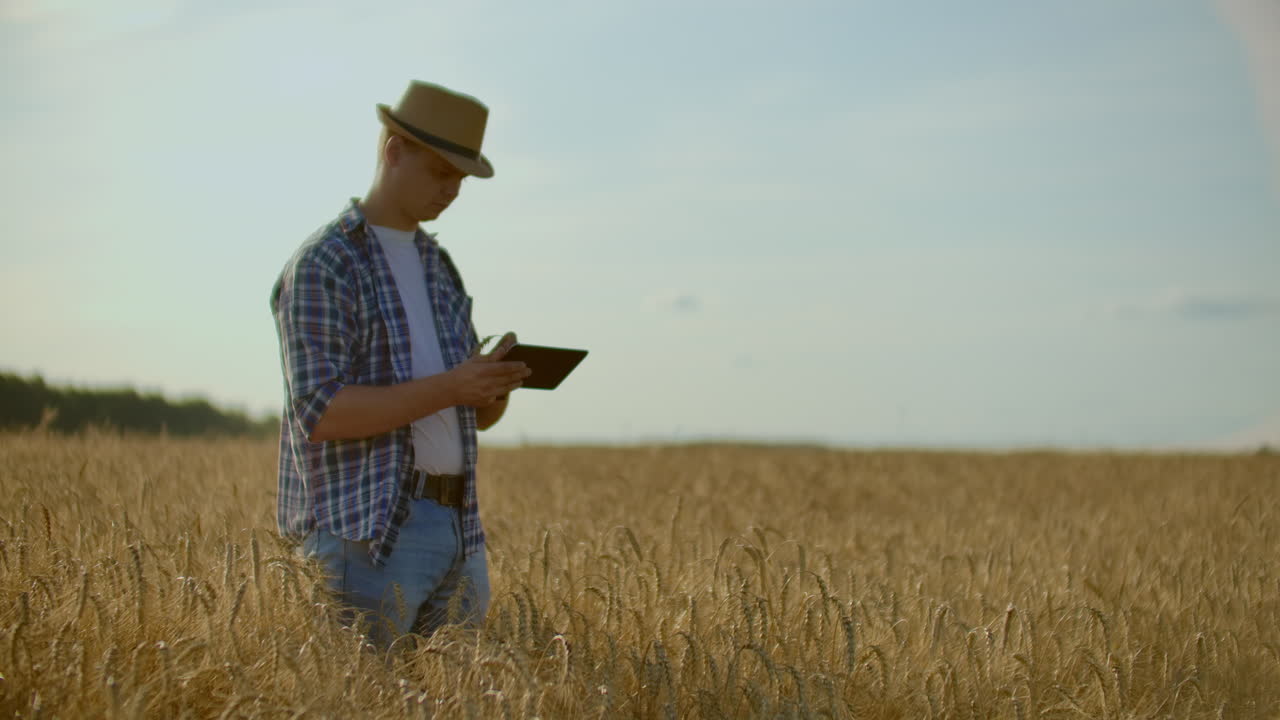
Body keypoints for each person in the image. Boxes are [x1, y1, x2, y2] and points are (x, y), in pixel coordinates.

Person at [269, 80, 529, 649]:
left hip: (459, 530)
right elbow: (322, 411)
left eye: (461, 179)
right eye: (441, 172)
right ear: (393, 151)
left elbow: (472, 417)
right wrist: (453, 385)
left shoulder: (440, 266)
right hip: (366, 535)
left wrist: (491, 388)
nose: (453, 190)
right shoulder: (325, 262)